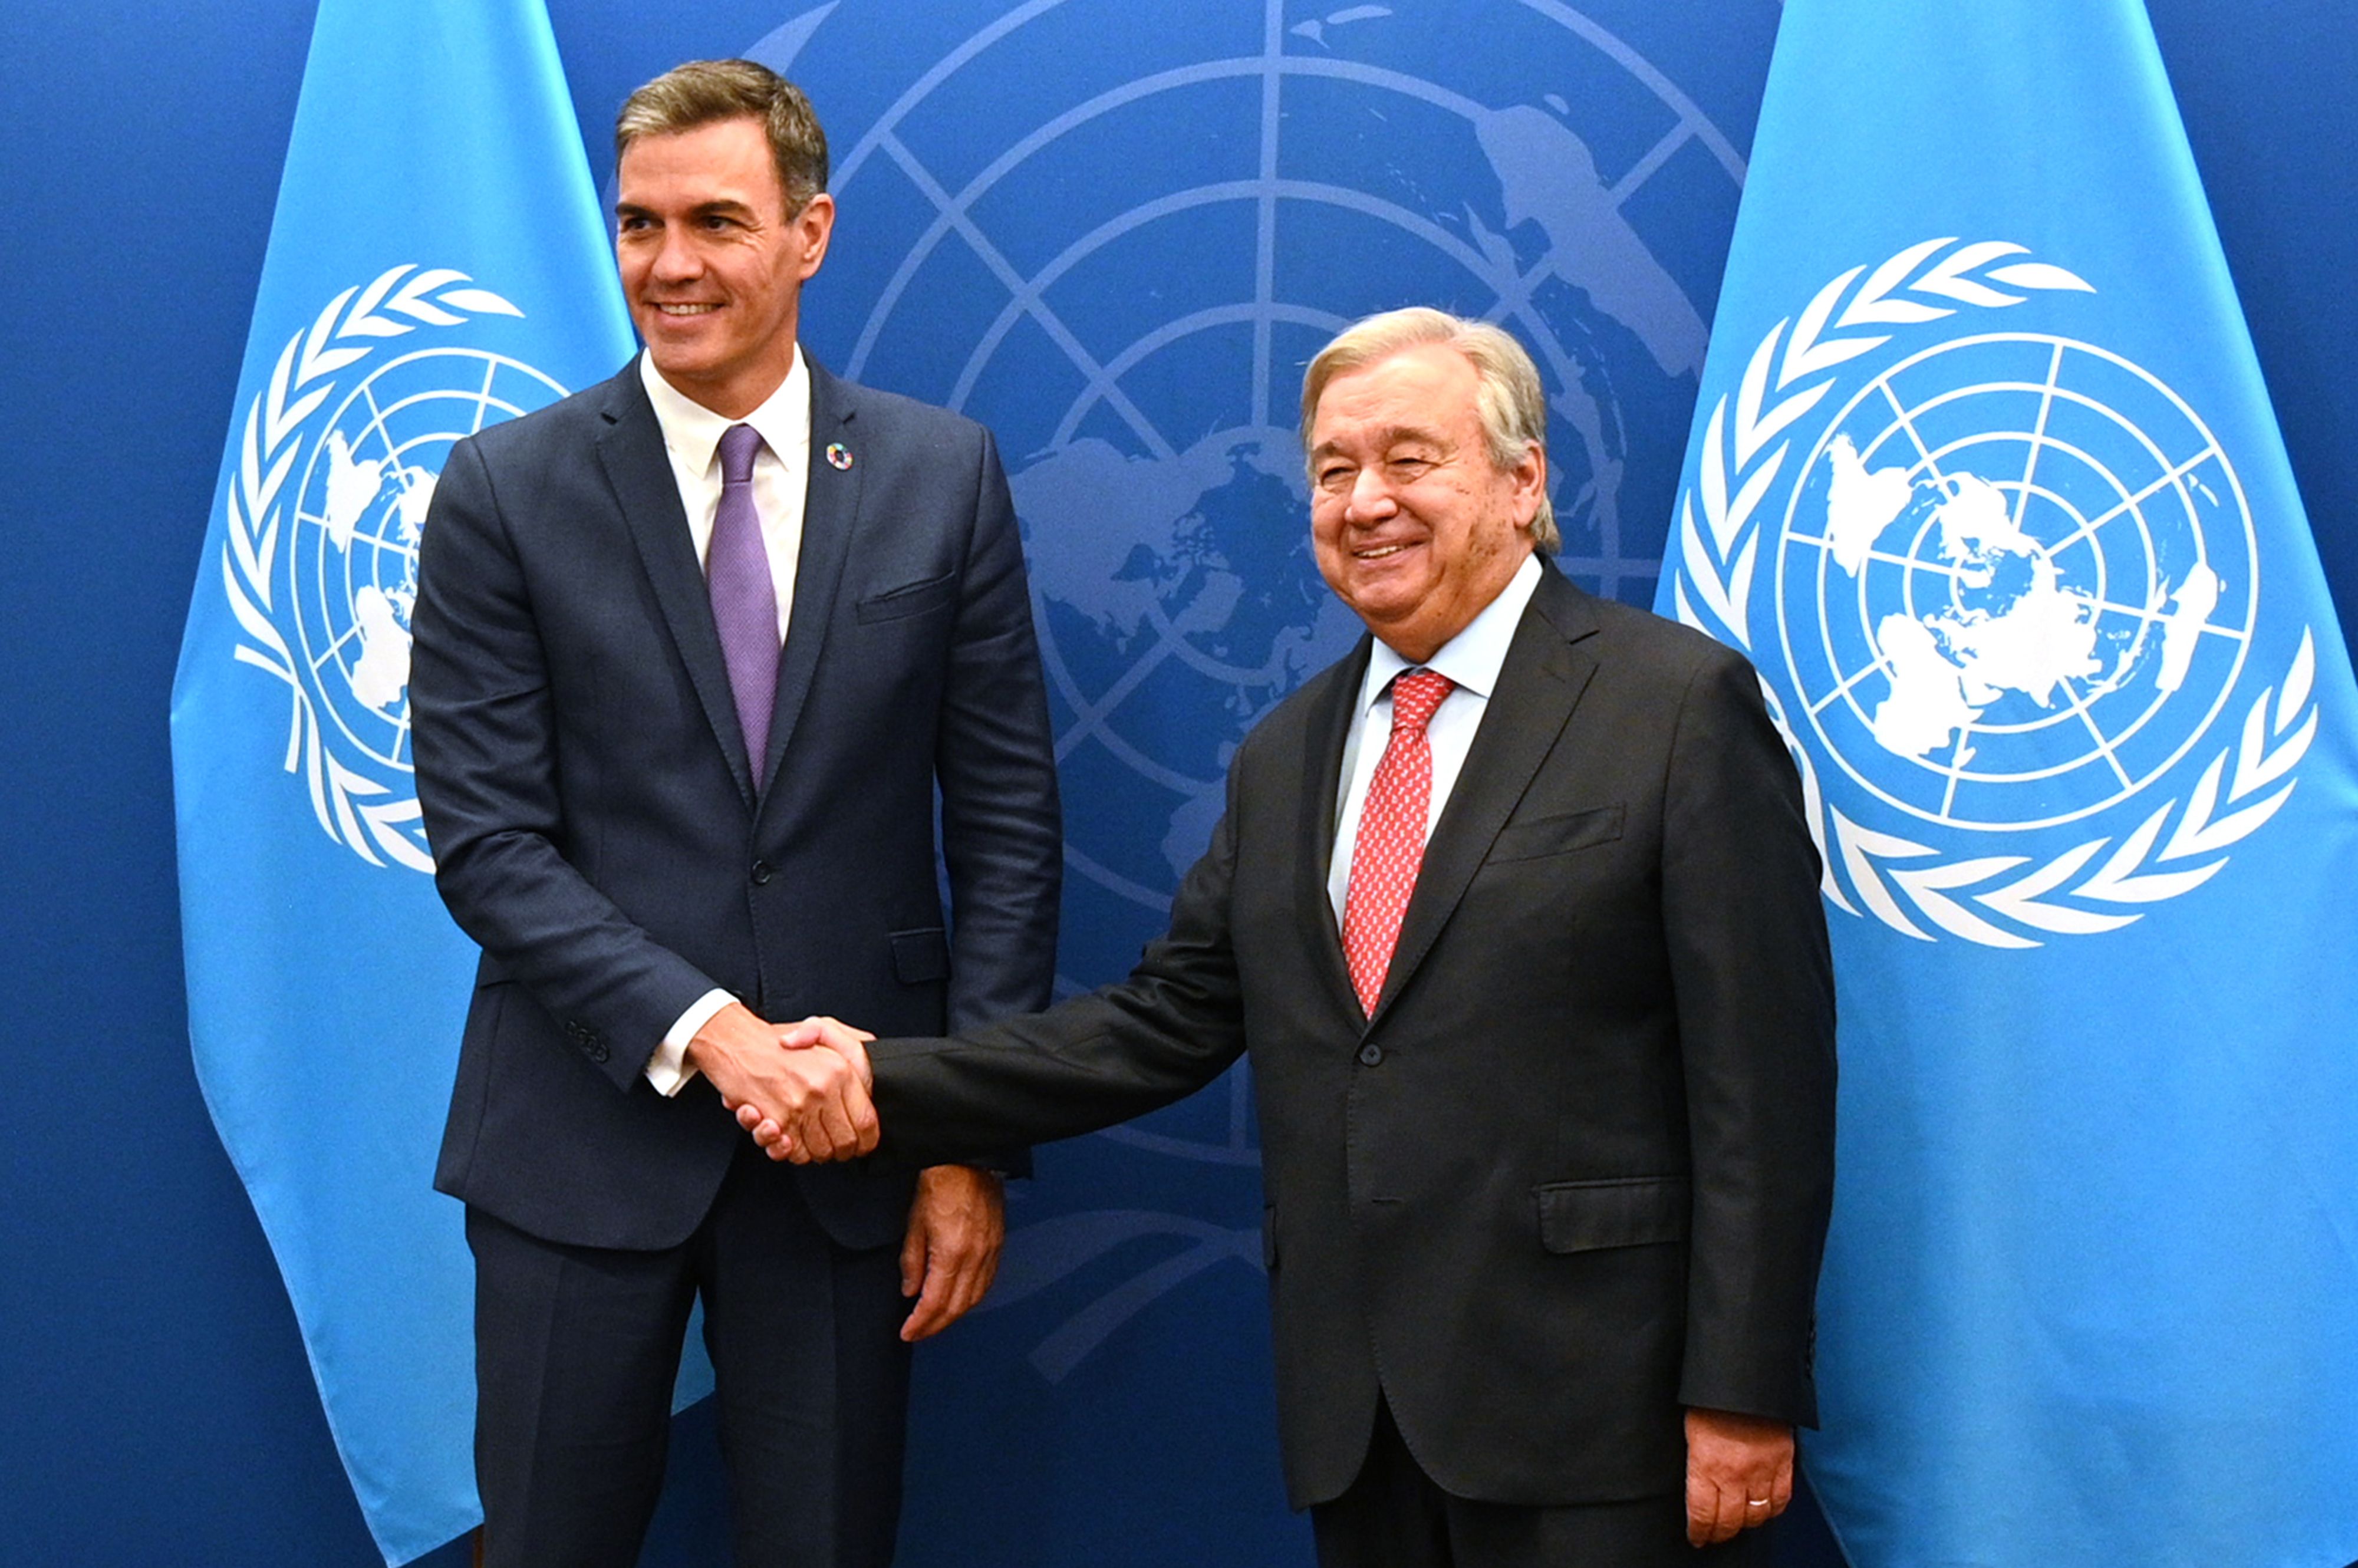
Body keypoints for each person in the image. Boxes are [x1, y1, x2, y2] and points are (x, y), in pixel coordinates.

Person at [757, 308, 1836, 1567]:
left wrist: (1742, 1389)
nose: (1362, 500)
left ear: (1521, 478)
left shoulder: (1674, 705)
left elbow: (1762, 1084)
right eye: (1331, 470)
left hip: (1605, 1414)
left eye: (1408, 458)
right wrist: (879, 1079)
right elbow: (1161, 1022)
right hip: (1359, 1416)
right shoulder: (1289, 753)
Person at [407, 58, 1061, 1568]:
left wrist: (966, 1137)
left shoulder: (939, 475)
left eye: (715, 220)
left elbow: (1010, 822)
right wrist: (711, 1030)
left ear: (810, 232)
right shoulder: (503, 488)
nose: (672, 265)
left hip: (849, 1153)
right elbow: (488, 842)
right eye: (640, 226)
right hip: (577, 1140)